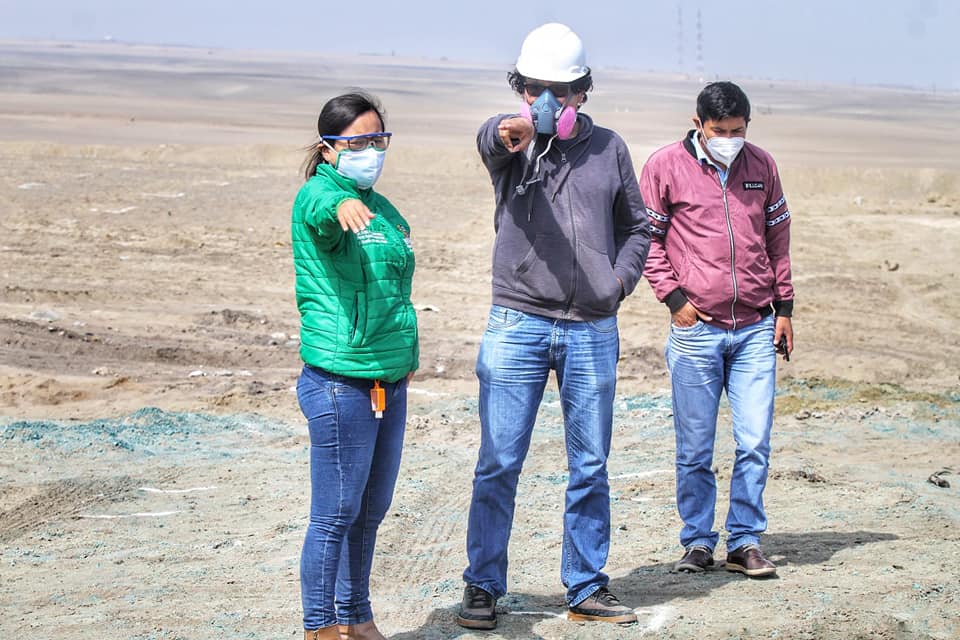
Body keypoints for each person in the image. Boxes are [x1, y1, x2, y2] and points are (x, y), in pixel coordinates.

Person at [457, 23, 651, 630]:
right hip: (517, 320)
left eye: (560, 91)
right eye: (534, 89)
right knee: (498, 461)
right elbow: (491, 137)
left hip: (592, 327)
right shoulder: (512, 144)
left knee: (590, 464)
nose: (547, 101)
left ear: (582, 92)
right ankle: (482, 585)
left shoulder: (610, 149)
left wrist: (618, 282)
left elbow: (638, 227)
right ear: (519, 89)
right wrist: (510, 132)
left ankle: (586, 585)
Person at [639, 81, 794, 579]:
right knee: (695, 447)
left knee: (754, 442)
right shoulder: (665, 166)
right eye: (719, 130)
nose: (729, 139)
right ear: (698, 124)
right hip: (696, 331)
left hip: (755, 327)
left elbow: (778, 238)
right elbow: (647, 239)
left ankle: (745, 541)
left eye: (738, 130)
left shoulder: (762, 166)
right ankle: (698, 541)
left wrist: (785, 306)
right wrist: (674, 299)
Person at [292, 92, 418, 640]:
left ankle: (355, 617)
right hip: (341, 381)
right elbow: (320, 209)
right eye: (358, 142)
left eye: (378, 140)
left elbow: (393, 292)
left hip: (386, 378)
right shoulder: (319, 195)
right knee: (334, 513)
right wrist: (337, 205)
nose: (371, 151)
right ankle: (319, 628)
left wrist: (405, 358)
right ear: (328, 149)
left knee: (371, 508)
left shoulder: (382, 207)